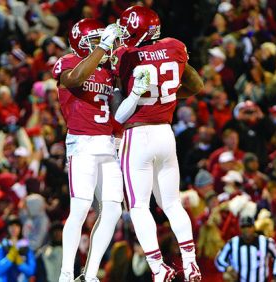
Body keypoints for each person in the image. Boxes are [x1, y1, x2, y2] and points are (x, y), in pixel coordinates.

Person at [112, 6, 204, 282]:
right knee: (173, 203)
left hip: (137, 135)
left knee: (139, 206)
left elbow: (118, 109)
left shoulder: (125, 55)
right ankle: (190, 263)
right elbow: (196, 83)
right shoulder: (175, 47)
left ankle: (157, 267)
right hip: (166, 132)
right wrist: (169, 95)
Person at [51, 18, 126, 282]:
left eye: (101, 40)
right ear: (79, 43)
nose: (100, 46)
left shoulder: (108, 69)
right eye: (93, 41)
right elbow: (76, 79)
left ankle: (90, 274)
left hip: (107, 142)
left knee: (114, 210)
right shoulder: (69, 62)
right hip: (82, 141)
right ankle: (66, 273)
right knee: (81, 206)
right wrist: (102, 48)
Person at [215, 216, 276, 282]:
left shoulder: (265, 241)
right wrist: (227, 268)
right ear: (240, 228)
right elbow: (219, 259)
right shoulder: (233, 243)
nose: (247, 229)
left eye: (249, 226)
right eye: (244, 227)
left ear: (254, 227)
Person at [0, 215, 36, 282]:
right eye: (11, 226)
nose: (14, 228)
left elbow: (31, 271)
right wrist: (10, 257)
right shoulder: (0, 247)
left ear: (21, 228)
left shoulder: (27, 248)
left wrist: (20, 262)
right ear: (7, 228)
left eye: (16, 226)